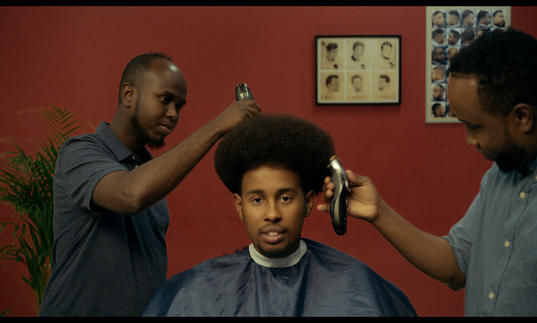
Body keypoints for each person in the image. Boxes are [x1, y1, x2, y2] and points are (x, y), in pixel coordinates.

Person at [318, 27, 537, 316]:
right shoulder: (498, 178)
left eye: (475, 127)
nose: (470, 141)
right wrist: (379, 212)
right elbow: (456, 266)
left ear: (522, 117)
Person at [38, 52, 261, 316]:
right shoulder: (79, 152)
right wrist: (217, 127)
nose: (172, 114)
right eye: (165, 100)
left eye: (179, 106)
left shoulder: (147, 170)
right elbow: (130, 194)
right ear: (128, 95)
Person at [142, 114, 417, 317]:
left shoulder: (356, 285)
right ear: (240, 206)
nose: (272, 214)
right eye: (257, 200)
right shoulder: (194, 293)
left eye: (285, 198)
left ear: (308, 203)